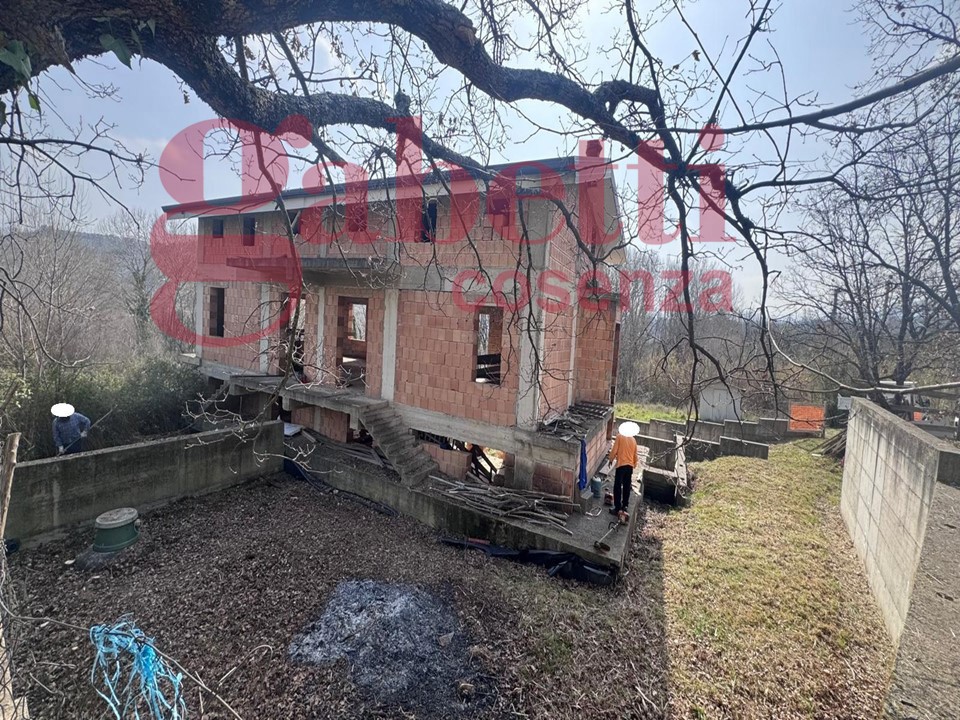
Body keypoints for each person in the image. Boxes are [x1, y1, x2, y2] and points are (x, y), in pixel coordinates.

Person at [608, 421, 640, 517]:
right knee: (626, 487)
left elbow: (614, 450)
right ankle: (625, 506)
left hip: (621, 465)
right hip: (629, 467)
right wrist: (634, 465)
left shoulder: (619, 437)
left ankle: (617, 508)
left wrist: (610, 459)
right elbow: (635, 455)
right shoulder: (634, 440)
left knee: (617, 486)